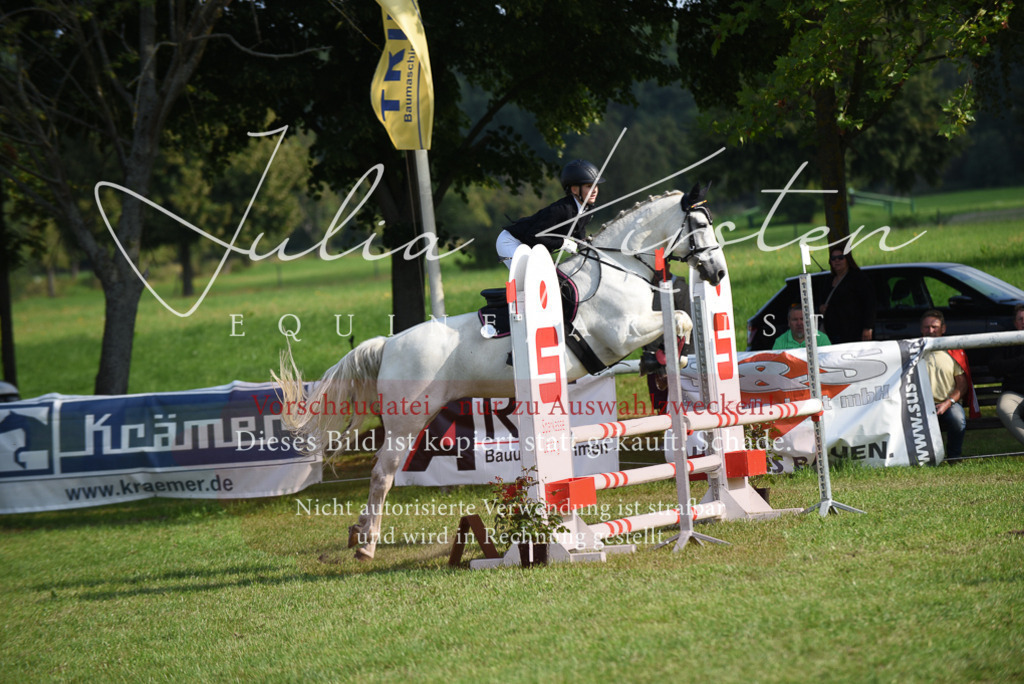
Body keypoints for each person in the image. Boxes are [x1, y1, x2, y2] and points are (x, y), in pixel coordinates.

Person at [495, 159, 605, 267]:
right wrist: (562, 243)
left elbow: (579, 229)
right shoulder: (561, 209)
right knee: (533, 276)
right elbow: (533, 236)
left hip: (534, 246)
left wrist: (583, 244)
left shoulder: (587, 208)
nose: (595, 190)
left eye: (596, 186)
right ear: (574, 190)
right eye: (589, 186)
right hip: (512, 242)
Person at [920, 309, 968, 460]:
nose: (930, 331)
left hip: (948, 404)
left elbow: (962, 385)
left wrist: (948, 403)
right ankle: (924, 459)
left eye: (934, 327)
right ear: (921, 329)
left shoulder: (953, 351)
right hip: (920, 405)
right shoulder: (914, 352)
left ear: (943, 329)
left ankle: (954, 457)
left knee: (958, 419)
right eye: (927, 327)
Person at [818, 246, 875, 344]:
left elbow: (870, 303)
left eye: (841, 257)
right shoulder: (828, 280)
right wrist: (821, 308)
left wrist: (868, 327)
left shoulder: (858, 278)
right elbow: (820, 300)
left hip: (854, 332)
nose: (837, 261)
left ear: (848, 259)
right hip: (833, 333)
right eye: (833, 258)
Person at [990, 304, 1024, 446]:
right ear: (1015, 323)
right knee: (1004, 407)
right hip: (1014, 393)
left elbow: (1005, 367)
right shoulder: (1005, 341)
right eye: (1021, 319)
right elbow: (995, 368)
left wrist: (1012, 367)